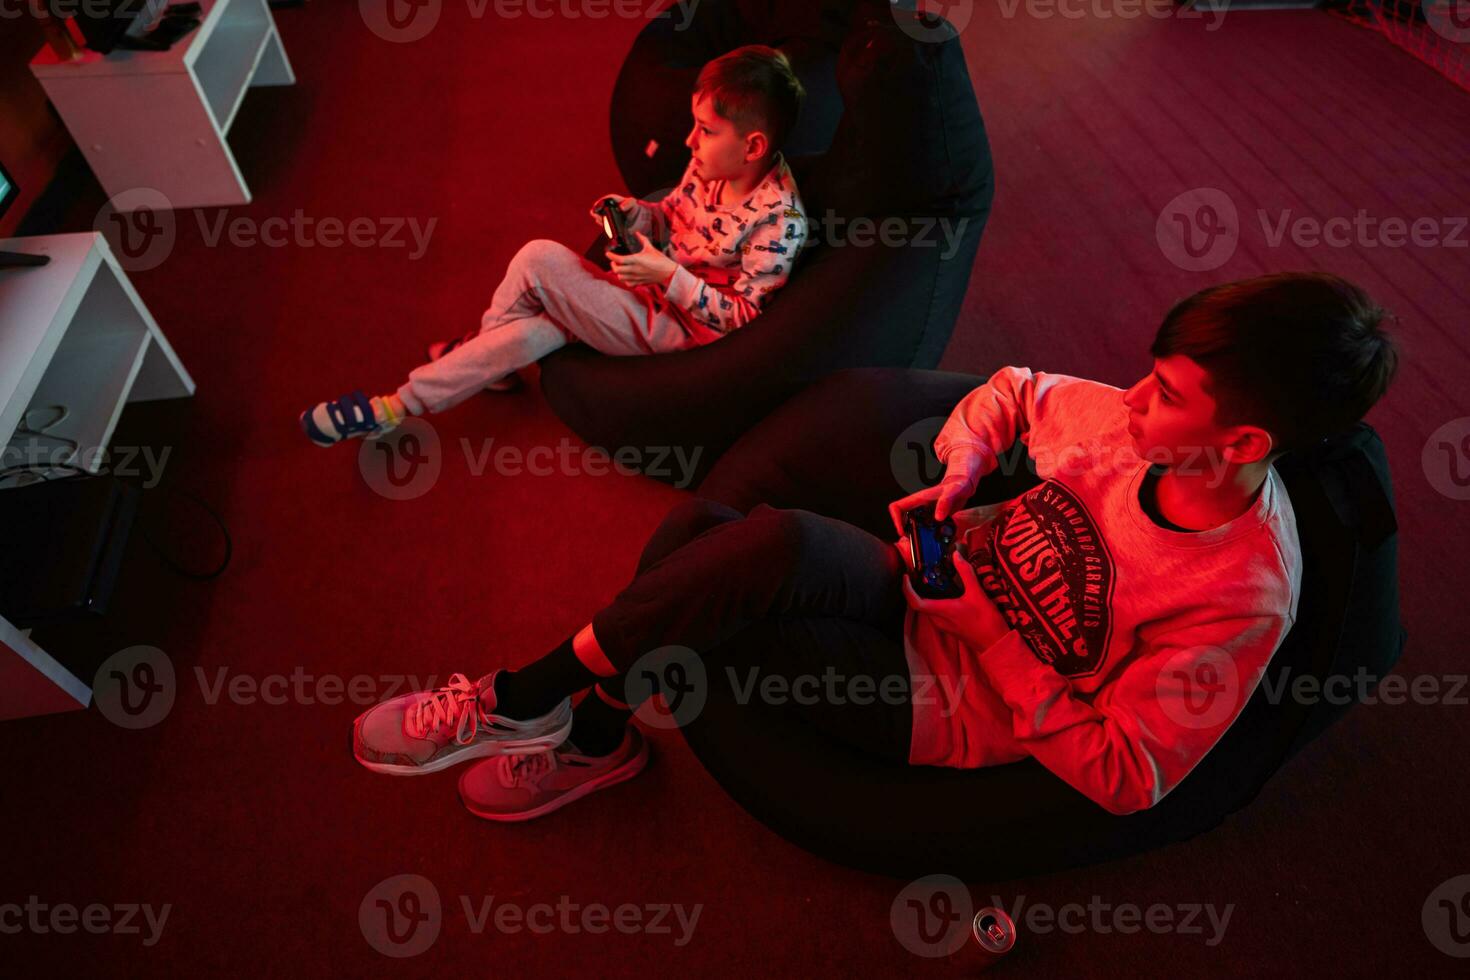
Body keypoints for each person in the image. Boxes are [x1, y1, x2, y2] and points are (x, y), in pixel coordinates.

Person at [350, 272, 1399, 821]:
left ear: (1244, 442)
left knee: (717, 581)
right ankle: (573, 723)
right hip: (919, 583)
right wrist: (963, 461)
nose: (1132, 398)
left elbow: (1132, 773)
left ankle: (550, 709)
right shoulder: (1120, 424)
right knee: (719, 536)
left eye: (1168, 393)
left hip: (948, 703)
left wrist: (991, 635)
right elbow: (1013, 389)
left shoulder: (1241, 594)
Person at [301, 45, 808, 447]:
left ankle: (462, 362)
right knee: (540, 329)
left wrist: (666, 277)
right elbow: (669, 216)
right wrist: (636, 214)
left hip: (682, 331)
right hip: (649, 290)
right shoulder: (710, 166)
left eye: (705, 130)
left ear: (754, 146)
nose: (689, 143)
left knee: (538, 258)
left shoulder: (778, 222)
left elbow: (745, 321)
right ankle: (394, 407)